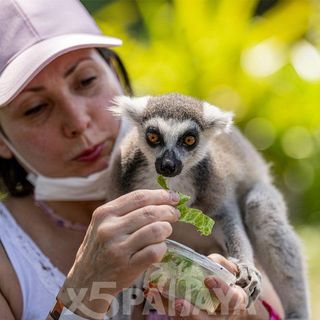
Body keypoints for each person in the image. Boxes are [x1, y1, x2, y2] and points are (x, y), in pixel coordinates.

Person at [0, 0, 284, 319]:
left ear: (115, 73)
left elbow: (275, 310)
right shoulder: (8, 257)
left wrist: (241, 312)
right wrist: (84, 295)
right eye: (35, 107)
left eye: (86, 80)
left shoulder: (201, 183)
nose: (77, 122)